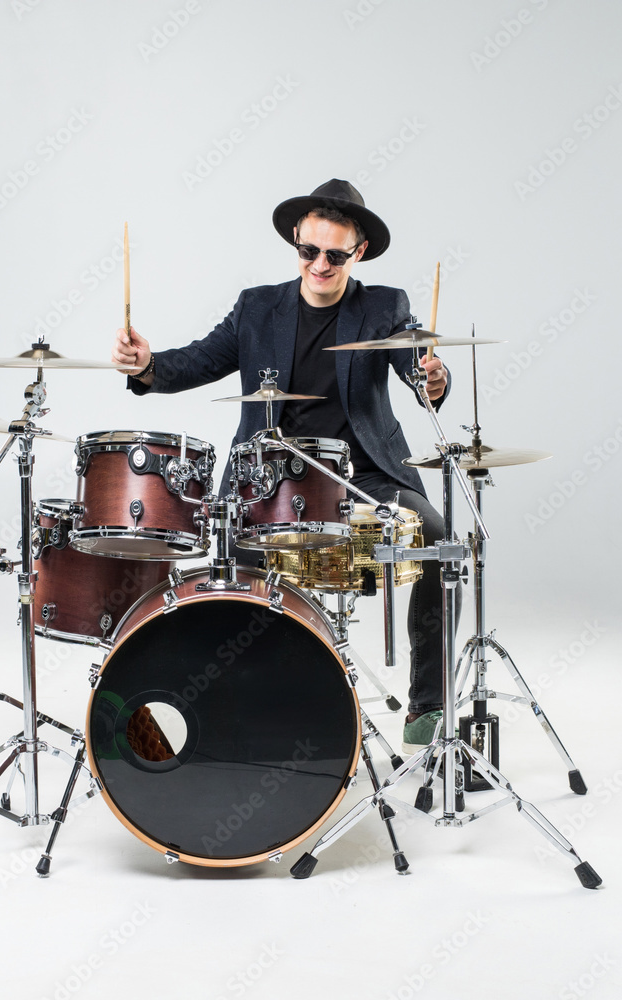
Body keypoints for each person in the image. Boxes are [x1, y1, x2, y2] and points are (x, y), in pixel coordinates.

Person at [112, 178, 455, 754]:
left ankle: (427, 702)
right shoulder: (257, 307)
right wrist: (147, 366)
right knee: (231, 579)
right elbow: (198, 360)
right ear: (296, 241)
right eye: (309, 251)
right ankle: (248, 709)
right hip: (267, 481)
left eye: (335, 255)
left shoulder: (383, 307)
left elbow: (411, 365)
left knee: (436, 535)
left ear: (359, 252)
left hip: (360, 477)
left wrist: (432, 379)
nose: (319, 264)